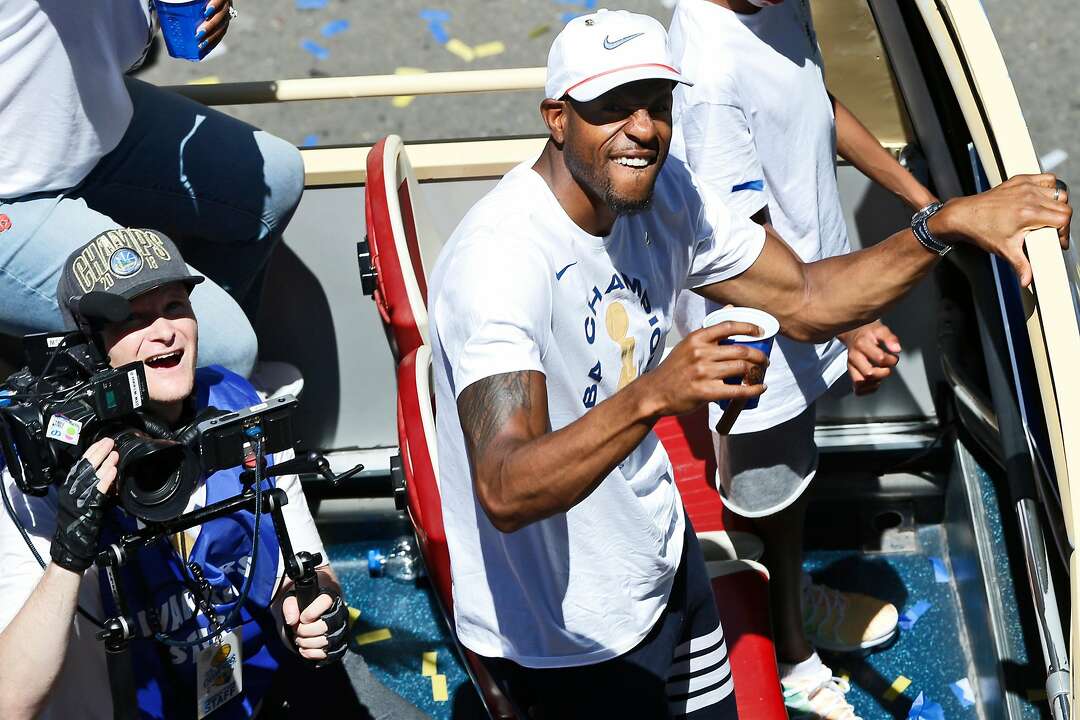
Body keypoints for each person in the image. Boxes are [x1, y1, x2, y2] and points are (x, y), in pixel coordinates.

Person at [427, 9, 1070, 719]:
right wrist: (656, 393)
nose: (643, 129)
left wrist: (943, 224)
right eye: (611, 108)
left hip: (659, 562)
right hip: (565, 639)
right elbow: (507, 487)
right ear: (557, 119)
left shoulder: (667, 197)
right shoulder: (500, 260)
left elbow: (807, 297)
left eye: (657, 105)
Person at [667, 2, 940, 716]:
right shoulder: (708, 70)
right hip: (759, 329)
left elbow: (815, 98)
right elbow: (748, 245)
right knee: (772, 499)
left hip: (816, 300)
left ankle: (785, 605)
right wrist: (848, 323)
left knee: (794, 480)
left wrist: (924, 201)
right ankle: (789, 653)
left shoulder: (777, 6)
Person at [0, 229, 347, 720]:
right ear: (90, 347)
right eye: (133, 319)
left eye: (175, 306)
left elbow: (309, 568)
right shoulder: (42, 480)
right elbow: (11, 702)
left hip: (254, 694)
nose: (164, 331)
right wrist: (67, 557)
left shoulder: (240, 407)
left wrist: (312, 609)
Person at [0, 0, 305, 378]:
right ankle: (168, 388)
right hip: (10, 193)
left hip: (78, 123)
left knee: (277, 177)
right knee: (225, 346)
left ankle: (175, 382)